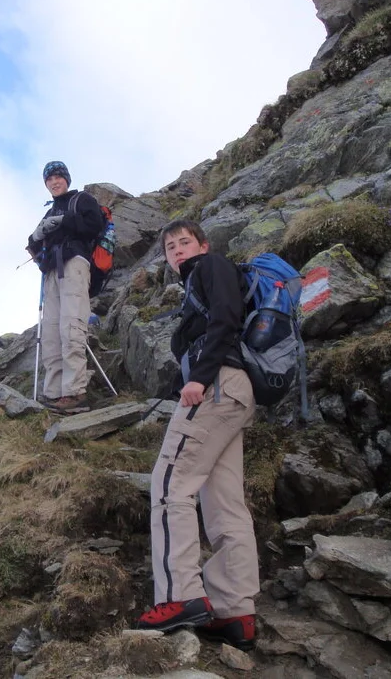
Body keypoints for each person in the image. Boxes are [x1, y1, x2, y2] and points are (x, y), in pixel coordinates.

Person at [133, 220, 259, 652]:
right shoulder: (196, 287)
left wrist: (200, 379)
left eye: (184, 242)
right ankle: (234, 612)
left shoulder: (211, 267)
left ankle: (179, 595)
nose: (178, 251)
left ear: (202, 245)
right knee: (224, 502)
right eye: (170, 247)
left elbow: (226, 318)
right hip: (232, 393)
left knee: (170, 485)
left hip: (218, 386)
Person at [26, 160, 104, 413]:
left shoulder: (81, 200)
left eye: (58, 177)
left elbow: (95, 226)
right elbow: (33, 243)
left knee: (70, 325)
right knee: (50, 333)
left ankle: (74, 392)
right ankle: (53, 392)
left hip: (74, 264)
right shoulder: (49, 212)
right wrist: (36, 237)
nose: (54, 182)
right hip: (51, 272)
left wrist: (65, 220)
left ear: (67, 179)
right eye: (49, 179)